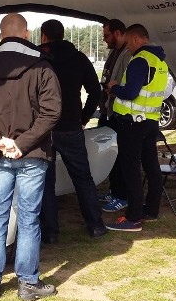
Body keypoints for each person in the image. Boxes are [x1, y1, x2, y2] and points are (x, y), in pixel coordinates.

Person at [0, 13, 62, 301]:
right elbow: (52, 112)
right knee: (29, 218)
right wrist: (24, 143)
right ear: (27, 34)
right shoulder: (42, 66)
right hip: (31, 154)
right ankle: (28, 283)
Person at [37, 19, 107, 243]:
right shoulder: (78, 57)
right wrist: (83, 118)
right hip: (71, 126)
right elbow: (95, 91)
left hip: (44, 129)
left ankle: (50, 232)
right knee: (83, 178)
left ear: (44, 36)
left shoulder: (38, 58)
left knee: (46, 181)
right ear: (63, 34)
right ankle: (95, 225)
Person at [104, 24, 169, 231]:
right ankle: (150, 210)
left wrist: (114, 88)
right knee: (151, 166)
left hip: (132, 123)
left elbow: (131, 92)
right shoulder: (159, 61)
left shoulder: (140, 60)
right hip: (150, 121)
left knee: (130, 170)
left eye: (128, 45)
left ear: (134, 39)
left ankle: (133, 217)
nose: (128, 49)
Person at [98, 19, 132, 209]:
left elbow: (128, 85)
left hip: (121, 113)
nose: (104, 40)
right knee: (110, 154)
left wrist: (115, 90)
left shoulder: (128, 55)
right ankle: (114, 191)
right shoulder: (115, 53)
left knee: (121, 156)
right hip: (109, 110)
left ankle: (122, 196)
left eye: (106, 35)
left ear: (118, 33)